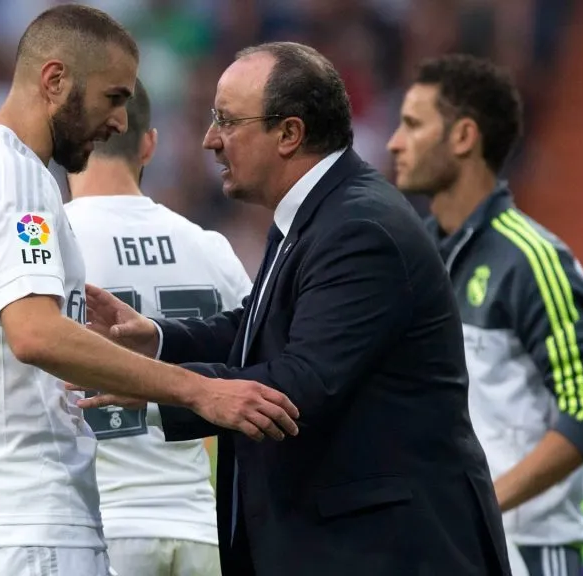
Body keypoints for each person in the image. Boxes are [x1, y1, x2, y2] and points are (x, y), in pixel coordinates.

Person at [80, 41, 511, 576]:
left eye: (228, 121)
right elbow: (264, 327)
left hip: (391, 550)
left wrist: (159, 384)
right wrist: (160, 340)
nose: (211, 140)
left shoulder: (359, 228)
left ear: (289, 134)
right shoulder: (319, 213)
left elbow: (300, 385)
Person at [0, 6, 298, 576]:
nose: (121, 122)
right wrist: (198, 391)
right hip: (28, 525)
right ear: (55, 80)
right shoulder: (13, 177)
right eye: (112, 97)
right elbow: (35, 333)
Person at [387, 53, 583, 576]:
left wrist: (482, 503)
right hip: (440, 550)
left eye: (413, 124)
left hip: (525, 551)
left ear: (464, 136)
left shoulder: (533, 260)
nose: (394, 142)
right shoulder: (416, 258)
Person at [64, 78, 252, 576]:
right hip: (200, 528)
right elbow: (263, 363)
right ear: (149, 143)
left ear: (70, 145)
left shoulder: (48, 244)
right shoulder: (210, 247)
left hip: (98, 526)